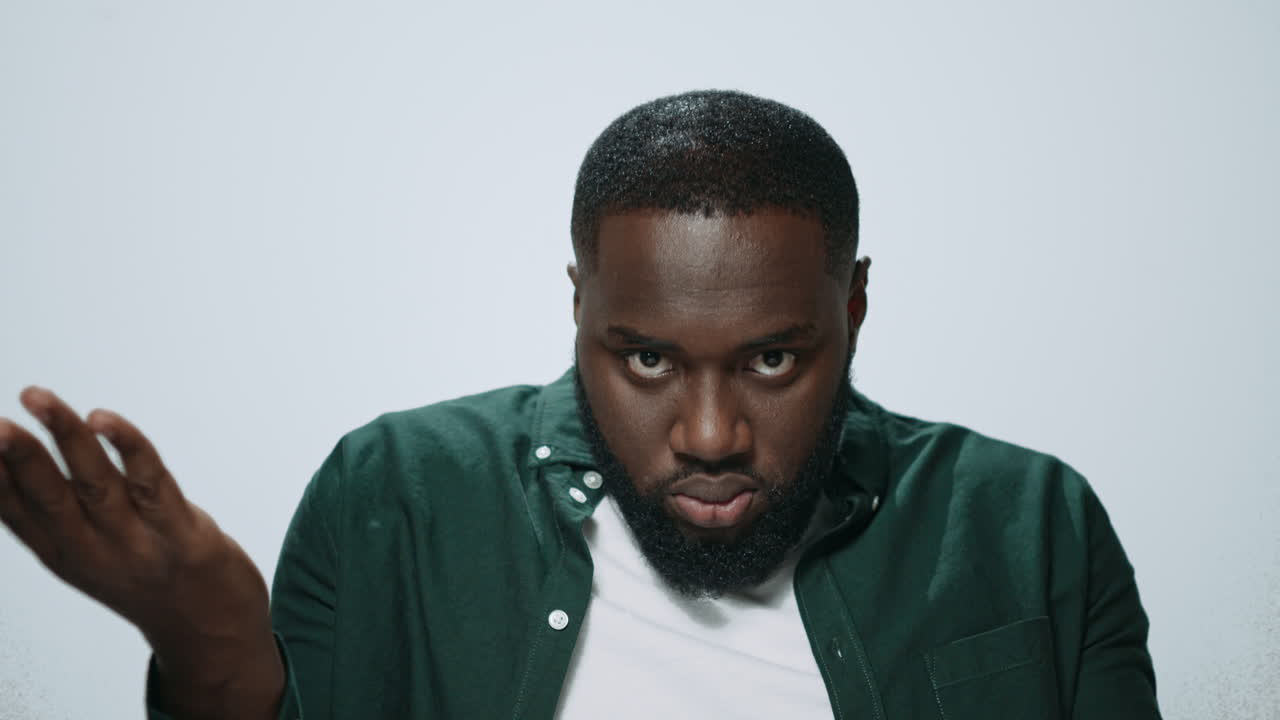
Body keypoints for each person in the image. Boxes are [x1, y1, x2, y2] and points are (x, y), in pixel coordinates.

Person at [0, 90, 1161, 719]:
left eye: (770, 361)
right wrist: (207, 645)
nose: (709, 437)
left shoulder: (1028, 520)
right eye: (645, 360)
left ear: (852, 306)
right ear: (577, 305)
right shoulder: (399, 493)